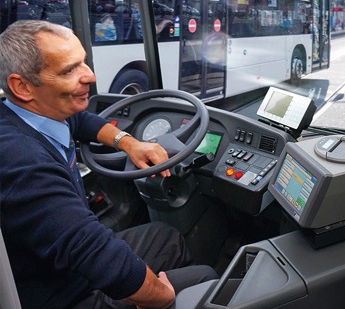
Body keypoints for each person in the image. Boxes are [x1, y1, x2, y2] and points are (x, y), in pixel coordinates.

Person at [0, 20, 218, 309]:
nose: (89, 76)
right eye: (69, 70)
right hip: (63, 294)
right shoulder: (22, 163)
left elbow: (81, 120)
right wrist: (163, 298)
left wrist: (129, 143)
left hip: (63, 269)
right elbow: (95, 254)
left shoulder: (31, 112)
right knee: (205, 278)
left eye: (84, 63)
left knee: (167, 237)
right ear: (22, 86)